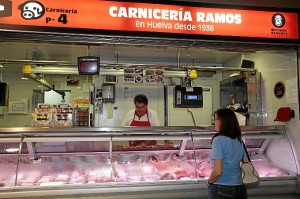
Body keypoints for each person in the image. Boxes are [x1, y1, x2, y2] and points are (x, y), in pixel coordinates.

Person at [207, 108, 248, 199]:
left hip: (222, 188)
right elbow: (246, 161)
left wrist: (209, 181)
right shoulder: (238, 140)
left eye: (216, 118)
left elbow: (218, 171)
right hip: (240, 188)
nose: (214, 121)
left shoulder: (218, 140)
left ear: (222, 121)